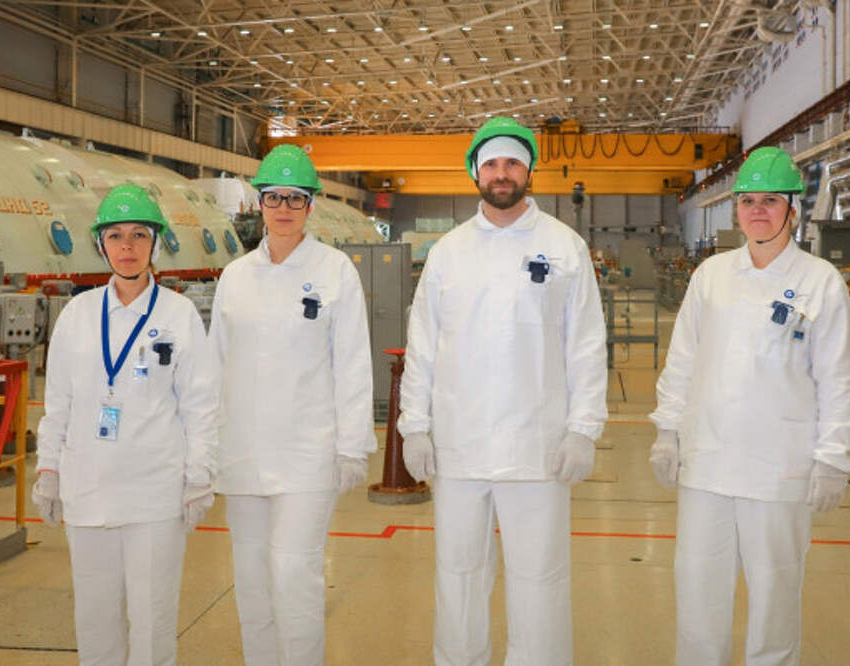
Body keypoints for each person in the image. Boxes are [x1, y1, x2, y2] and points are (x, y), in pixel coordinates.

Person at [399, 116, 608, 666]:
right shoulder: (449, 252)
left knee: (540, 580)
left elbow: (586, 344)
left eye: (512, 162)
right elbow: (423, 344)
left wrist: (583, 429)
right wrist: (414, 425)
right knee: (458, 577)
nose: (501, 173)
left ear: (528, 170)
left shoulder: (564, 247)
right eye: (491, 163)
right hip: (459, 446)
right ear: (476, 172)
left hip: (537, 448)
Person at [648, 147, 850, 666]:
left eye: (770, 200)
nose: (758, 210)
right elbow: (682, 360)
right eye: (748, 201)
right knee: (698, 597)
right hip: (706, 465)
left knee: (774, 602)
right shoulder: (712, 276)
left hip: (778, 471)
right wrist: (667, 431)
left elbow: (837, 379)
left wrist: (834, 458)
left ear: (792, 208)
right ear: (736, 210)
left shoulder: (821, 282)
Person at [31, 183, 217, 665]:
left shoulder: (178, 314)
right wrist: (48, 470)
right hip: (87, 490)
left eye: (139, 235)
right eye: (115, 235)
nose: (127, 246)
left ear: (155, 243)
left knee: (153, 622)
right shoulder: (78, 314)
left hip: (154, 495)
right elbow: (58, 403)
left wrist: (199, 476)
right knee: (95, 622)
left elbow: (200, 405)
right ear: (101, 244)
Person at [208, 144, 375, 665]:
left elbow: (352, 363)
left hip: (307, 455)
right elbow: (213, 367)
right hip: (241, 453)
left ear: (310, 205)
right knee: (251, 579)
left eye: (295, 198)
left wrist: (353, 446)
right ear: (259, 203)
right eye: (274, 197)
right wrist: (203, 448)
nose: (283, 208)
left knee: (293, 576)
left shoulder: (334, 271)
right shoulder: (235, 276)